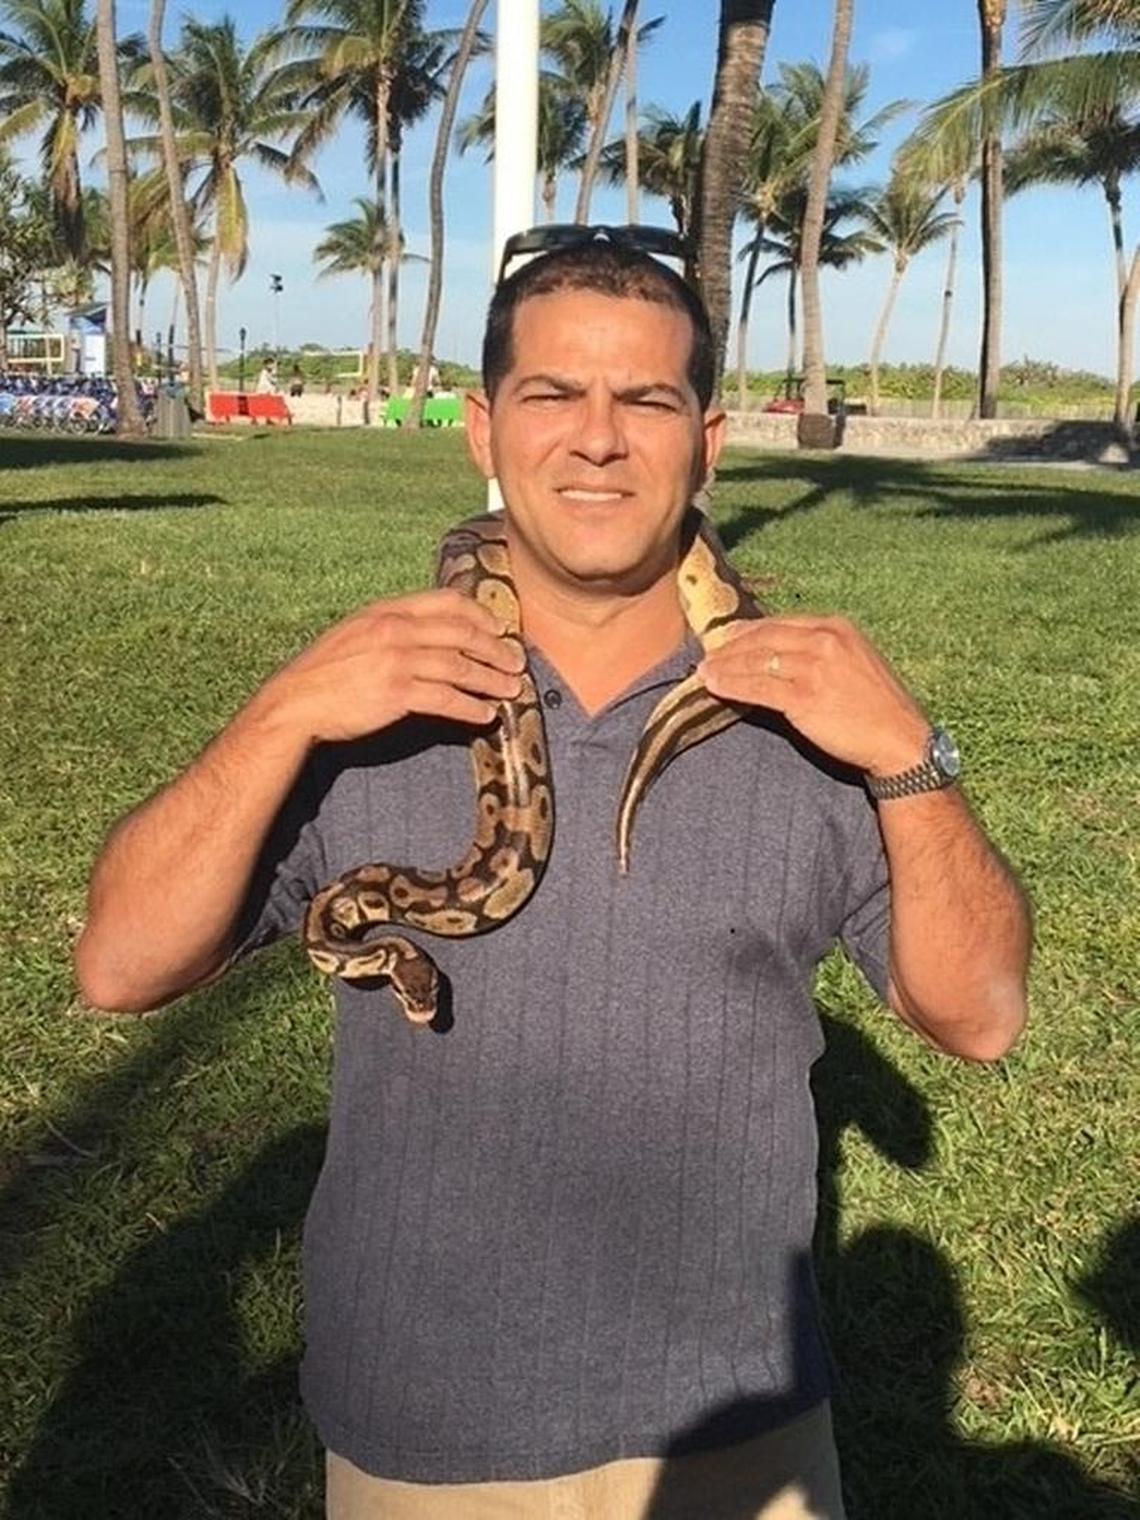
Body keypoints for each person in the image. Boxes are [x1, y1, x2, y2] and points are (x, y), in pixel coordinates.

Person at [75, 230, 1031, 1519]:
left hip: (736, 1426)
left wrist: (915, 757)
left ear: (709, 440)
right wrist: (278, 715)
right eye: (551, 395)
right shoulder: (369, 701)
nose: (598, 439)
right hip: (420, 1429)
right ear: (481, 429)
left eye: (647, 400)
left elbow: (979, 1015)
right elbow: (121, 964)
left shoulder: (809, 710)